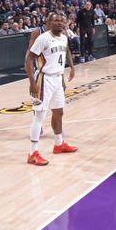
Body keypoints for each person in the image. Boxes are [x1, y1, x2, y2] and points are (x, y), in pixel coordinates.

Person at [24, 13, 76, 166]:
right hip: (44, 80)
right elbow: (29, 59)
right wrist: (32, 82)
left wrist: (68, 70)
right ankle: (32, 153)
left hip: (57, 79)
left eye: (62, 20)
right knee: (39, 115)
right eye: (56, 20)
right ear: (49, 23)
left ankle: (59, 144)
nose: (60, 23)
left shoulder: (64, 37)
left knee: (59, 112)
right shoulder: (43, 38)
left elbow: (64, 54)